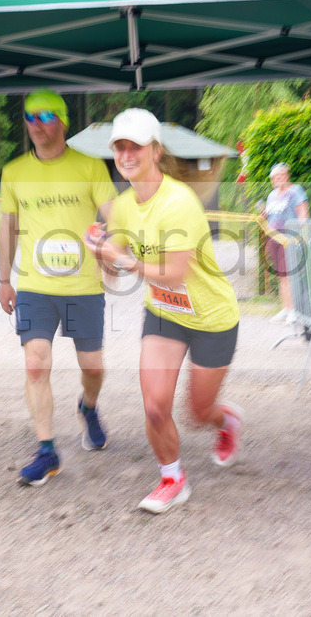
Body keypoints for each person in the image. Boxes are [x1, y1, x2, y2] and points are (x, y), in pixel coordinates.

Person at [85, 108, 242, 514]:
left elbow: (173, 273)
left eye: (134, 145)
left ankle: (226, 422)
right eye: (119, 146)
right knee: (155, 405)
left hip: (211, 317)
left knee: (197, 412)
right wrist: (102, 252)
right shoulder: (120, 206)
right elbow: (115, 274)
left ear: (155, 151)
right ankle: (172, 478)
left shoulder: (179, 202)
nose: (126, 153)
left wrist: (126, 261)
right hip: (165, 313)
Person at [0, 89, 117, 486]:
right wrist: (3, 279)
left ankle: (88, 405)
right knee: (36, 363)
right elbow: (8, 226)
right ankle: (46, 451)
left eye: (46, 115)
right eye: (30, 116)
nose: (36, 123)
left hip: (84, 285)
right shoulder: (13, 171)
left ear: (63, 121)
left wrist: (114, 249)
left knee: (93, 367)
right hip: (34, 285)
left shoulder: (89, 166)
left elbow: (115, 215)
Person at [262, 163, 308, 325]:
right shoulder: (272, 195)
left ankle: (293, 310)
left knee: (289, 275)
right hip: (273, 238)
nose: (277, 180)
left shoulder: (295, 191)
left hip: (288, 238)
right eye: (274, 178)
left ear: (287, 176)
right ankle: (285, 308)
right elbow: (270, 216)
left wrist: (302, 234)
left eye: (280, 176)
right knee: (281, 275)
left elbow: (303, 213)